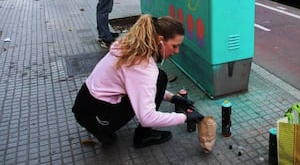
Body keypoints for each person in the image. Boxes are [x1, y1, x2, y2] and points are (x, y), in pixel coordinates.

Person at [72, 15, 204, 147]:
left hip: (84, 106)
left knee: (160, 78)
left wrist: (173, 98)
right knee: (159, 78)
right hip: (97, 115)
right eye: (174, 46)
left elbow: (141, 88)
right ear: (160, 40)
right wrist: (185, 118)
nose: (177, 51)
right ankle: (143, 136)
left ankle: (103, 130)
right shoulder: (142, 67)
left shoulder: (128, 46)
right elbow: (147, 118)